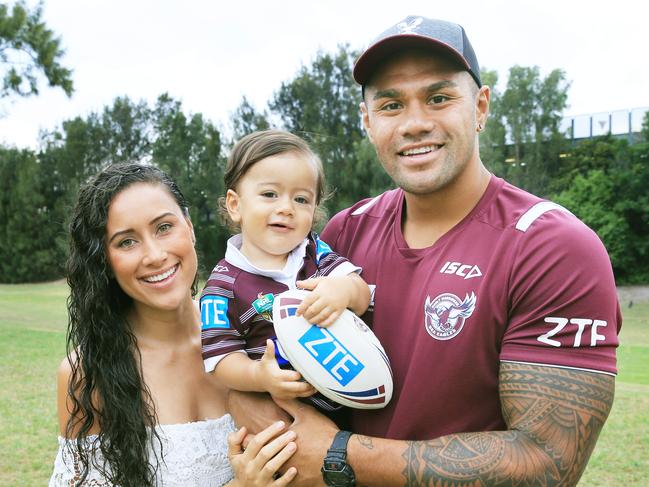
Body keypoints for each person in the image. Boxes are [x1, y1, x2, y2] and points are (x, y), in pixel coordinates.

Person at [229, 16, 621, 486]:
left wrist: (340, 456)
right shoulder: (345, 232)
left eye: (438, 98)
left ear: (480, 106)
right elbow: (253, 362)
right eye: (391, 104)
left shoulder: (552, 246)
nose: (415, 123)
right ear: (368, 122)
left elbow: (547, 463)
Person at [50, 162, 300, 486]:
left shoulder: (257, 331)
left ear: (190, 226)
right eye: (126, 242)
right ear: (105, 261)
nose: (154, 255)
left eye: (164, 227)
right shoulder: (87, 373)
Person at [200, 130, 371, 411]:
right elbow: (221, 359)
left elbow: (361, 293)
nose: (286, 208)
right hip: (282, 417)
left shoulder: (314, 253)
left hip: (349, 406)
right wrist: (259, 376)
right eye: (269, 194)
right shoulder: (222, 286)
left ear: (315, 210)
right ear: (235, 205)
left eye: (301, 199)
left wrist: (343, 290)